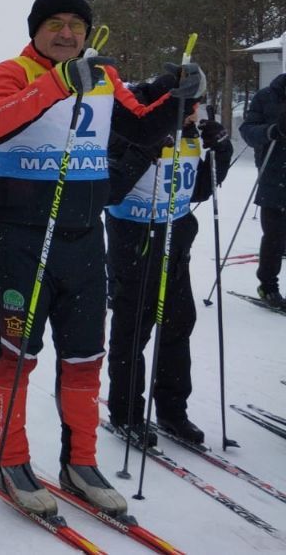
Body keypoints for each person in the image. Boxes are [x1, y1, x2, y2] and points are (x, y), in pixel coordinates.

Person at [0, 0, 204, 519]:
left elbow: (143, 123)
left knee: (83, 356)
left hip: (82, 240)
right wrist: (56, 84)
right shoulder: (10, 73)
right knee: (18, 353)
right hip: (21, 239)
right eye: (55, 23)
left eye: (76, 25)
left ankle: (80, 462)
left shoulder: (102, 76)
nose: (67, 33)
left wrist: (180, 96)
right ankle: (11, 458)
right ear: (35, 29)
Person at [105, 99, 232, 445]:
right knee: (133, 332)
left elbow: (200, 190)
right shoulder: (130, 130)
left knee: (178, 326)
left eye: (199, 106)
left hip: (175, 245)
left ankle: (173, 411)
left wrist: (221, 150)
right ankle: (126, 412)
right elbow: (110, 189)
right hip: (135, 244)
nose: (196, 113)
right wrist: (145, 150)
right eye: (190, 105)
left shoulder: (190, 135)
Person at [238, 70, 286, 308]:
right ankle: (268, 286)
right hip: (274, 174)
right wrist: (273, 130)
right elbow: (247, 131)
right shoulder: (267, 96)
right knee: (275, 237)